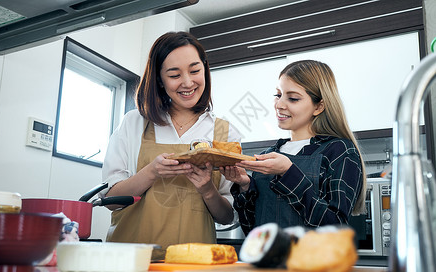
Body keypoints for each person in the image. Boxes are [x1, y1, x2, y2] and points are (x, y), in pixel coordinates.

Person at [100, 31, 241, 259]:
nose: (188, 82)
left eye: (195, 71)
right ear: (159, 79)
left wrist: (207, 189)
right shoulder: (134, 123)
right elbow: (110, 201)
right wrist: (151, 172)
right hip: (130, 262)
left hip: (194, 265)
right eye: (174, 75)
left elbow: (227, 217)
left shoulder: (224, 133)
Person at [221, 59, 366, 235]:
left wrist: (288, 173)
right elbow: (252, 231)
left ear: (319, 106)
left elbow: (335, 228)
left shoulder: (339, 151)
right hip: (267, 262)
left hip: (314, 263)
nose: (279, 105)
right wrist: (244, 186)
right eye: (278, 95)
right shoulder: (268, 155)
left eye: (293, 98)